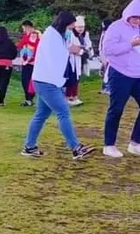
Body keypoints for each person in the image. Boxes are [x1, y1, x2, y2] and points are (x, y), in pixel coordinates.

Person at [21, 11, 96, 161]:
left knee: (41, 114)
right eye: (71, 26)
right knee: (63, 112)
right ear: (65, 23)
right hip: (47, 82)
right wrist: (76, 51)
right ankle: (76, 147)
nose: (72, 29)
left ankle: (29, 147)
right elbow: (61, 53)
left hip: (45, 81)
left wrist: (82, 50)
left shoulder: (57, 35)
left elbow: (69, 47)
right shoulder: (51, 36)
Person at [101, 0, 140, 159]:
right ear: (128, 15)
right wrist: (130, 44)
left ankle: (136, 143)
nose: (137, 20)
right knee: (116, 109)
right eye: (135, 17)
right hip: (120, 73)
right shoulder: (116, 27)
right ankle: (109, 145)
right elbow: (108, 49)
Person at [64, 16, 93, 106]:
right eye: (79, 27)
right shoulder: (70, 34)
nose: (81, 29)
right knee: (71, 78)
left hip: (80, 59)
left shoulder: (85, 34)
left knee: (77, 78)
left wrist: (87, 49)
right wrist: (80, 49)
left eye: (82, 27)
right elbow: (70, 46)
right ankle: (68, 97)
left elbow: (88, 44)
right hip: (72, 59)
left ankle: (75, 96)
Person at [0, 26, 18, 106]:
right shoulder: (10, 42)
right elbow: (14, 53)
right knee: (4, 82)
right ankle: (1, 101)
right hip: (7, 63)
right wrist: (9, 58)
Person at [16, 20, 40, 107]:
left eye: (24, 28)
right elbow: (20, 46)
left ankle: (31, 98)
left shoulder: (36, 37)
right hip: (26, 62)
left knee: (32, 81)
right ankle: (28, 99)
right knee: (25, 81)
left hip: (34, 63)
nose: (24, 30)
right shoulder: (26, 37)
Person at [98, 18, 114, 95]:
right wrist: (102, 56)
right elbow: (101, 45)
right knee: (106, 72)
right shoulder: (105, 33)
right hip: (105, 55)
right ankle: (106, 88)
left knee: (107, 72)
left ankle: (106, 88)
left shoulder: (107, 33)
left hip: (107, 55)